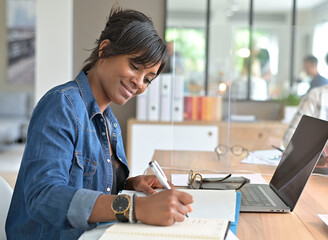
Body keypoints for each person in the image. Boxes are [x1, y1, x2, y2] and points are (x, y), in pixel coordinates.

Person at [6, 7, 193, 240]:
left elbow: (96, 189)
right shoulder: (61, 105)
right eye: (135, 66)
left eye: (148, 79)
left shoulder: (109, 122)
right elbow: (44, 197)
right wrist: (136, 207)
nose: (140, 84)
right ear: (104, 50)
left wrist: (131, 184)